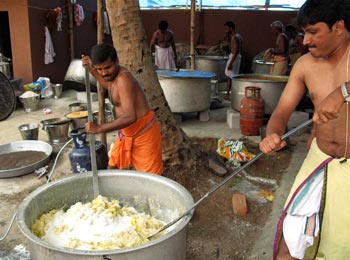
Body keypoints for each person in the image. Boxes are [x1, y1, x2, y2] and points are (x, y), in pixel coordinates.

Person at [259, 0, 350, 259]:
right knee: (291, 242)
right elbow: (281, 111)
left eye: (313, 32)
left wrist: (343, 91)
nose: (306, 41)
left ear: (338, 27)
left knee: (340, 246)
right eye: (303, 33)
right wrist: (272, 134)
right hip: (319, 161)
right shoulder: (304, 65)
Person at [82, 43, 163, 175]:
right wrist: (91, 70)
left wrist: (99, 128)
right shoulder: (112, 77)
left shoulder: (124, 78)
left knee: (150, 179)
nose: (104, 73)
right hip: (126, 134)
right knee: (113, 169)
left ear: (117, 61)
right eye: (100, 69)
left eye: (107, 68)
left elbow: (130, 116)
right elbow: (109, 86)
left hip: (144, 134)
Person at [223, 21, 242, 99]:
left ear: (231, 28)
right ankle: (231, 94)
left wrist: (231, 62)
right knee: (232, 77)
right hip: (237, 57)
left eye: (227, 28)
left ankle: (227, 94)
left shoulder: (234, 37)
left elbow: (236, 50)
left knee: (229, 77)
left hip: (234, 57)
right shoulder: (238, 36)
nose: (226, 30)